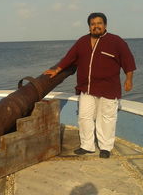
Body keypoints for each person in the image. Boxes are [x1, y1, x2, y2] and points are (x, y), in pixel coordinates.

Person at [44, 12, 136, 158]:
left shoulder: (116, 41)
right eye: (93, 24)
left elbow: (128, 61)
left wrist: (129, 79)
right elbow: (69, 57)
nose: (96, 26)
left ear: (105, 25)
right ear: (89, 27)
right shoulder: (82, 42)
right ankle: (87, 145)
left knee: (106, 118)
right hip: (86, 88)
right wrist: (57, 70)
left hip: (108, 88)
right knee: (84, 117)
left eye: (99, 23)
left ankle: (105, 147)